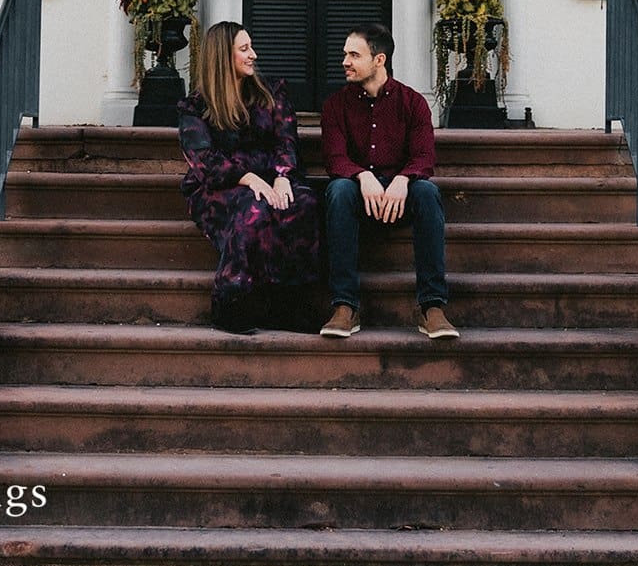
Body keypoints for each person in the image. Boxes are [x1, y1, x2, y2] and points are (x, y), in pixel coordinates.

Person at [177, 20, 324, 334]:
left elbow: (287, 139)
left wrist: (283, 176)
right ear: (223, 57)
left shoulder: (271, 93)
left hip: (273, 178)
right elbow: (204, 160)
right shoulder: (196, 106)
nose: (253, 55)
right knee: (253, 207)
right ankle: (229, 301)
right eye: (244, 49)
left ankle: (289, 304)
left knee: (303, 203)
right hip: (220, 186)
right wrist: (249, 179)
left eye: (251, 47)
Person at [319, 23, 457, 340]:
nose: (345, 61)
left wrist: (403, 179)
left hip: (400, 197)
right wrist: (362, 175)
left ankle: (432, 306)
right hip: (357, 195)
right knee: (338, 190)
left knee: (426, 191)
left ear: (379, 60)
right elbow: (335, 159)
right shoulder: (335, 106)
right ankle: (344, 306)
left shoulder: (412, 103)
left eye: (354, 54)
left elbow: (423, 157)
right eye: (345, 54)